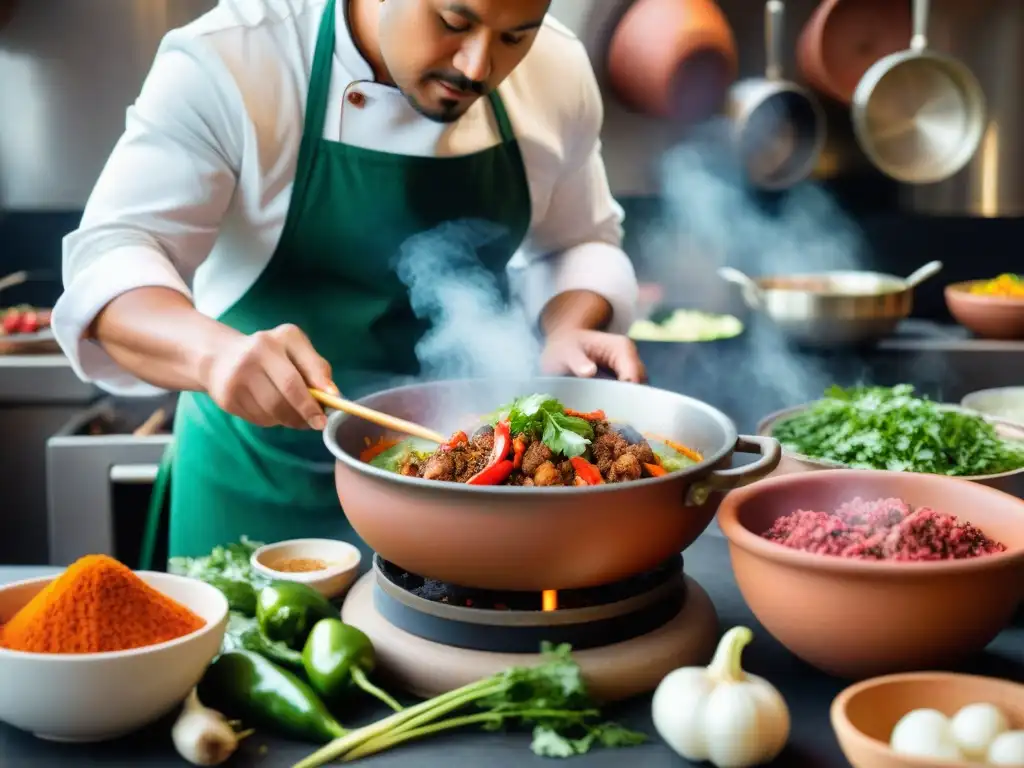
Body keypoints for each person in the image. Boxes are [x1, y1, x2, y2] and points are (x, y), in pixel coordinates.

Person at [52, 0, 646, 561]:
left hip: (462, 490)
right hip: (261, 491)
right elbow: (111, 261)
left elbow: (578, 241)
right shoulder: (233, 58)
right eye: (452, 20)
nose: (478, 65)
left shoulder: (556, 70)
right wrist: (213, 355)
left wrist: (569, 327)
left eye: (516, 34)